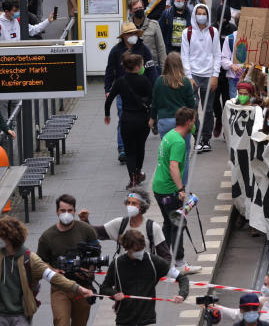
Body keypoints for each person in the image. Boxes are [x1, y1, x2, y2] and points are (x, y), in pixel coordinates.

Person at [0, 215, 94, 323]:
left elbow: (54, 277)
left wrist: (79, 289)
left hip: (21, 315)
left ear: (10, 238)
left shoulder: (29, 259)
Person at [100, 229, 189, 325]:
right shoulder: (117, 264)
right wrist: (114, 294)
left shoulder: (154, 261)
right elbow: (104, 288)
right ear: (127, 248)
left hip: (147, 320)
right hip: (124, 320)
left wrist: (182, 294)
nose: (140, 253)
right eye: (136, 251)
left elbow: (182, 278)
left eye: (141, 249)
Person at [36, 194, 99, 326]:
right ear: (57, 212)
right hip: (60, 287)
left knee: (80, 323)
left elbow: (96, 255)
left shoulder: (86, 230)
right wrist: (53, 270)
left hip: (83, 285)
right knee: (61, 321)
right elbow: (39, 262)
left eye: (70, 210)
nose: (66, 214)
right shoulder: (47, 237)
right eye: (63, 211)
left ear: (74, 211)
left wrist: (89, 271)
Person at [150, 106, 195, 270]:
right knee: (177, 224)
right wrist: (181, 189)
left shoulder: (169, 135)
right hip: (169, 190)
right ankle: (179, 262)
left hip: (158, 187)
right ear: (189, 122)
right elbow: (173, 167)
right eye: (194, 121)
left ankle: (160, 258)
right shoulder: (179, 142)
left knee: (168, 224)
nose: (195, 124)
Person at [78, 188, 171, 264]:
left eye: (134, 203)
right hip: (123, 273)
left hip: (145, 276)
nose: (130, 206)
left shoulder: (153, 228)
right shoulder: (120, 224)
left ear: (142, 206)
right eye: (128, 203)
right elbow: (97, 233)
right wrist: (85, 221)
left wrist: (156, 274)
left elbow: (165, 256)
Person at [104, 53, 154, 189]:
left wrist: (107, 114)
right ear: (138, 66)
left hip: (126, 120)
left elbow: (109, 99)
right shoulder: (144, 81)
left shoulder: (120, 81)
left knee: (129, 151)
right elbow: (152, 99)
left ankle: (132, 178)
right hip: (142, 121)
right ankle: (138, 172)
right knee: (140, 147)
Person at [180, 4, 219, 153]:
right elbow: (185, 56)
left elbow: (217, 55)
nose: (201, 16)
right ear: (194, 15)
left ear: (208, 16)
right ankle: (197, 137)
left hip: (209, 76)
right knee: (193, 109)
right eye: (199, 13)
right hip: (193, 76)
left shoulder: (213, 32)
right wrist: (189, 77)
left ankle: (206, 139)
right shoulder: (187, 33)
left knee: (208, 109)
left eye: (204, 13)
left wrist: (215, 75)